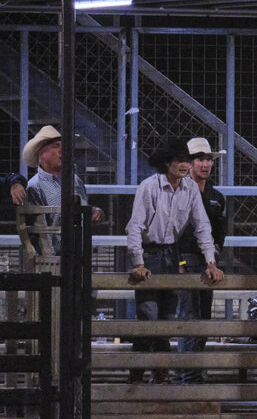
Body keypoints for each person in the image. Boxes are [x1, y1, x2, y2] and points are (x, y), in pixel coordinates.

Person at [125, 138, 224, 384]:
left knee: (164, 320)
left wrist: (211, 262)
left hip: (171, 254)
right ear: (168, 163)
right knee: (149, 318)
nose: (185, 165)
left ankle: (155, 375)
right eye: (181, 160)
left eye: (186, 160)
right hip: (150, 254)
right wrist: (139, 262)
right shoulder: (149, 187)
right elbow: (135, 227)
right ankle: (145, 374)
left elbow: (202, 226)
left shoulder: (189, 189)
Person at [175, 137, 228, 384]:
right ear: (191, 163)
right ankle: (189, 375)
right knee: (189, 318)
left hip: (206, 262)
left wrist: (212, 261)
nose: (205, 164)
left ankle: (189, 372)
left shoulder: (216, 197)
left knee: (200, 318)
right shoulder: (178, 193)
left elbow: (219, 236)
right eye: (201, 159)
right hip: (185, 260)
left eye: (208, 160)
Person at [19, 125, 105, 253]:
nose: (62, 150)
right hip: (52, 261)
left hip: (77, 256)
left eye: (63, 146)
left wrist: (93, 211)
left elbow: (80, 212)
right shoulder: (35, 187)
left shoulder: (75, 181)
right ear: (42, 153)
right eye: (55, 146)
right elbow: (37, 233)